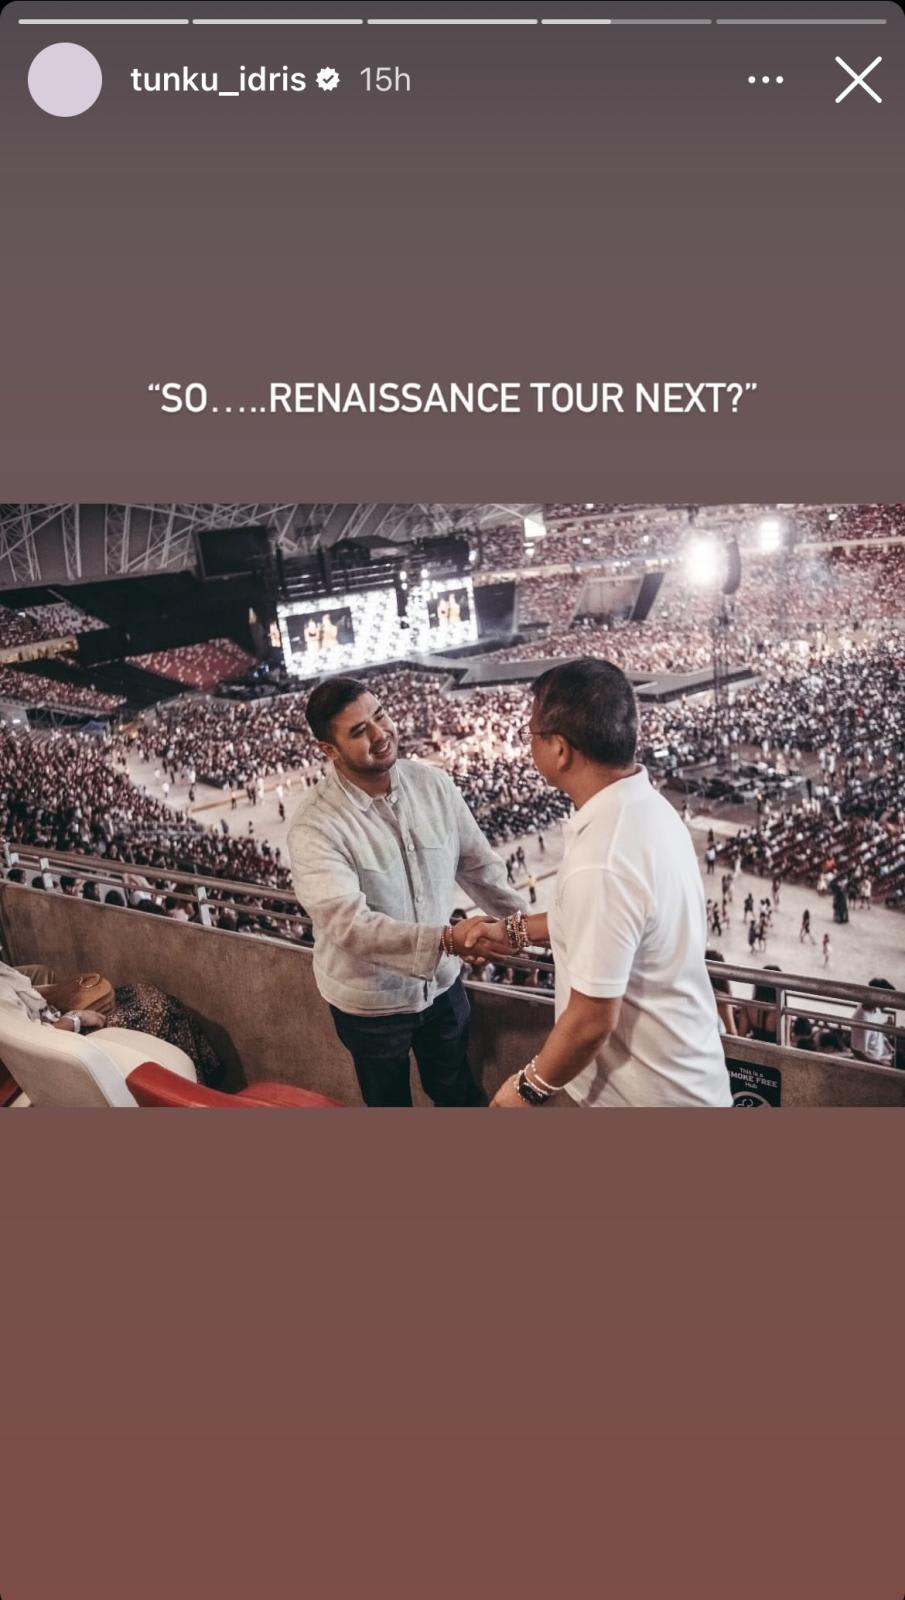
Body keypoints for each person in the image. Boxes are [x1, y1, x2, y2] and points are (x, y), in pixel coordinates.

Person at [467, 660, 731, 1108]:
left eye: (532, 733)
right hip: (679, 1080)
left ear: (560, 749)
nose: (529, 744)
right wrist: (511, 932)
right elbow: (603, 923)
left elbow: (591, 1020)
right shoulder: (645, 809)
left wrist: (525, 1090)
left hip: (651, 1101)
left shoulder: (604, 858)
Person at [287, 677, 525, 1107]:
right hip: (371, 1002)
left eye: (380, 716)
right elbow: (349, 924)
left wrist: (532, 929)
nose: (380, 734)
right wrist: (448, 940)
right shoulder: (315, 826)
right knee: (389, 1105)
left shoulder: (433, 785)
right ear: (329, 749)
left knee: (457, 1091)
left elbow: (479, 866)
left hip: (443, 985)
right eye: (359, 731)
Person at [0, 959, 223, 1085]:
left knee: (143, 993)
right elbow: (32, 1038)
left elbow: (22, 989)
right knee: (158, 1008)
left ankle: (199, 1081)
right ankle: (195, 1088)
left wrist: (60, 989)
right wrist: (77, 1017)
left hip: (56, 1017)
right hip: (64, 1041)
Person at [850, 977, 896, 1067]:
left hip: (883, 1057)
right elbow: (858, 1053)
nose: (889, 1002)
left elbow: (879, 1035)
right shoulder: (862, 1019)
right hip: (872, 1064)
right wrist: (881, 1064)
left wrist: (890, 1048)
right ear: (876, 995)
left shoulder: (876, 1010)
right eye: (886, 998)